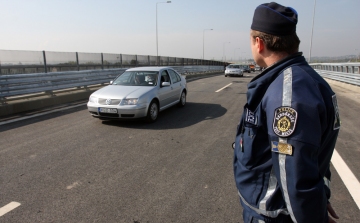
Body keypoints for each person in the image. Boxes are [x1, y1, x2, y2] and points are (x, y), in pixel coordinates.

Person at [233, 2, 341, 223]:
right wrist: (319, 199)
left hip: (274, 216)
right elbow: (315, 155)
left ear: (259, 43)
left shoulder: (288, 94)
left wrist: (313, 215)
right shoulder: (300, 81)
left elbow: (296, 175)